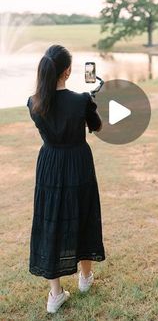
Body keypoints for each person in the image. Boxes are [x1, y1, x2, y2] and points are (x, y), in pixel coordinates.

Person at [26, 45, 105, 314]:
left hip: (49, 164)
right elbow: (97, 127)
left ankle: (55, 294)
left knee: (51, 220)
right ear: (68, 71)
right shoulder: (81, 100)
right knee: (83, 213)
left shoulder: (33, 103)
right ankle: (84, 279)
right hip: (78, 163)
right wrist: (90, 102)